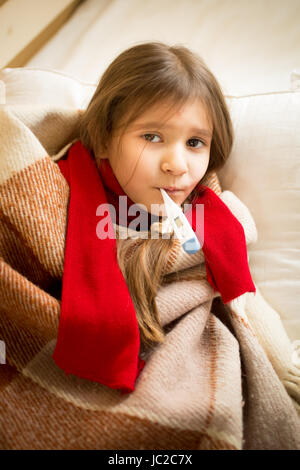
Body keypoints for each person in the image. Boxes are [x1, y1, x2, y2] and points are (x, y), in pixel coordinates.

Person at [52, 41, 256, 392]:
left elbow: (246, 305)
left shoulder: (218, 219)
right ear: (103, 140)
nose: (176, 165)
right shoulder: (56, 194)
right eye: (152, 136)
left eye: (195, 143)